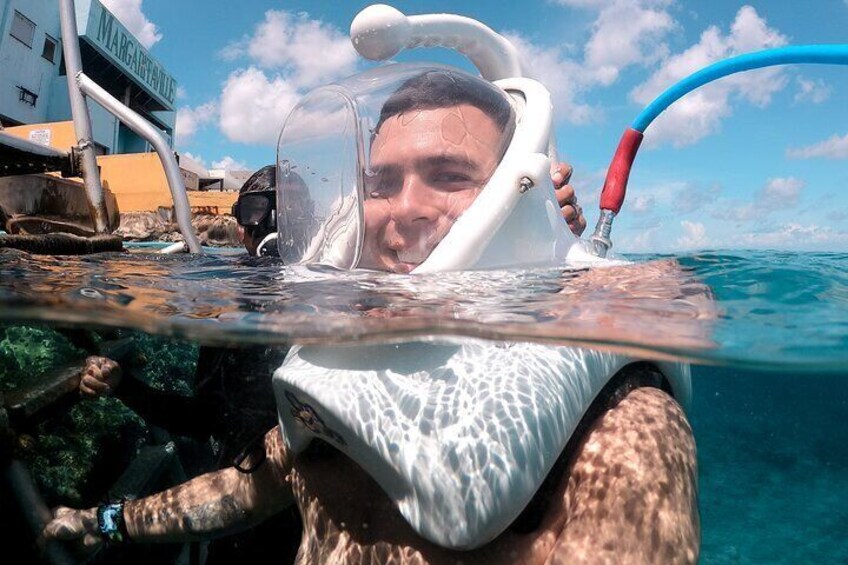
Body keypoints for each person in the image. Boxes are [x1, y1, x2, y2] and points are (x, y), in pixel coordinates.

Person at [46, 70, 698, 564]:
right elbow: (251, 486)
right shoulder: (350, 359)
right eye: (382, 181)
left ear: (516, 194)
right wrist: (111, 521)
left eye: (448, 174)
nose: (403, 207)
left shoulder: (613, 420)